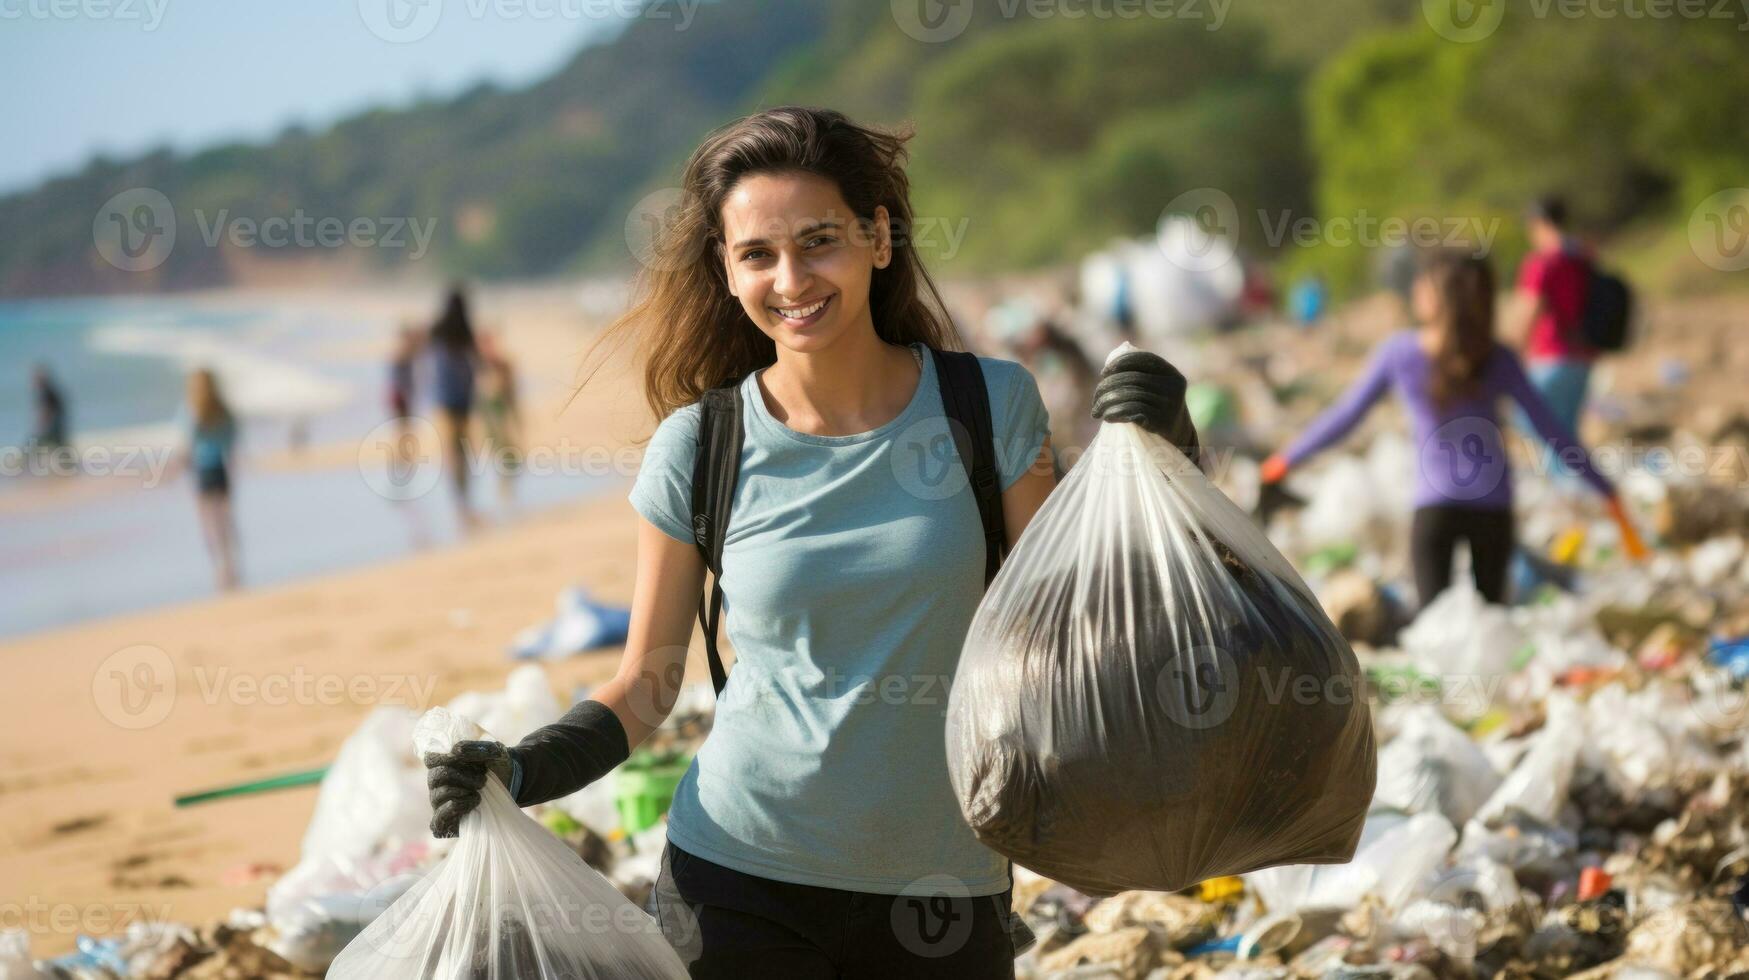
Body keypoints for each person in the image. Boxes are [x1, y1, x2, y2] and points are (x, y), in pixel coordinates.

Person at [422, 106, 1196, 978]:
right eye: (756, 254)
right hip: (739, 876)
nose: (790, 278)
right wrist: (523, 769)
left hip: (944, 882)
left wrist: (1165, 456)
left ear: (877, 237)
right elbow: (646, 682)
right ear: (726, 268)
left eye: (818, 240)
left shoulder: (986, 405)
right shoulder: (702, 444)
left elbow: (1078, 615)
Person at [1260, 250, 1644, 608]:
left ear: (1436, 296)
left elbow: (1345, 416)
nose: (1414, 290)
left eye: (1422, 283)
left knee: (1433, 630)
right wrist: (1606, 489)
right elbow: (1551, 431)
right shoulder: (1500, 358)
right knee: (1491, 619)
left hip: (1435, 507)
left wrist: (1286, 459)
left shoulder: (1399, 352)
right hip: (1494, 508)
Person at [1514, 195, 1596, 436]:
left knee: (1531, 423)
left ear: (1538, 223)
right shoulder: (1583, 257)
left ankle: (1565, 474)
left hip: (1551, 354)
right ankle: (1577, 473)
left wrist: (1513, 356)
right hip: (1583, 355)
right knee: (1566, 431)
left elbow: (1530, 310)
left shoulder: (1542, 262)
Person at [179, 368, 240, 590]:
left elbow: (187, 444)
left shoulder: (191, 410)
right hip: (220, 468)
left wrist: (182, 467)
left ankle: (218, 567)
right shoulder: (222, 410)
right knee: (225, 520)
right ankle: (230, 562)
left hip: (203, 471)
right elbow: (231, 438)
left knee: (208, 523)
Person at [427, 286, 480, 526]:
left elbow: (427, 359)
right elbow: (477, 362)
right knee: (463, 446)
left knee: (450, 447)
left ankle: (457, 495)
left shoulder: (437, 330)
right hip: (465, 394)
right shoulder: (467, 330)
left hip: (444, 395)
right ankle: (464, 490)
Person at [474, 330, 523, 508]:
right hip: (489, 416)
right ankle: (503, 491)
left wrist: (516, 418)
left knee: (508, 451)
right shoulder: (479, 366)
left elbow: (511, 393)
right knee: (497, 452)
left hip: (501, 413)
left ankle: (507, 490)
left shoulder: (502, 365)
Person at [28, 364, 69, 468]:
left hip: (53, 425)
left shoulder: (47, 392)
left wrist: (42, 424)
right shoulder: (50, 390)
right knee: (60, 446)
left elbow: (48, 411)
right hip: (57, 424)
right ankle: (68, 465)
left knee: (35, 443)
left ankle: (21, 466)